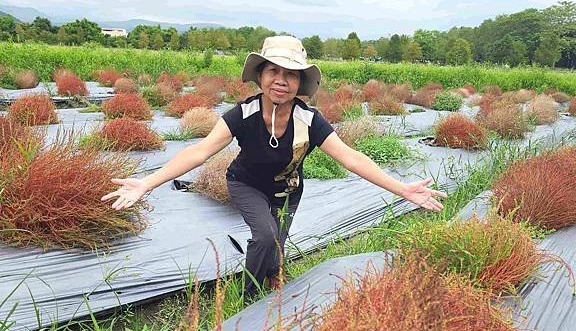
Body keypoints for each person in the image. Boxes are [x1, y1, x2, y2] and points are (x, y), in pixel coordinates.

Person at [102, 36, 447, 299]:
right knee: (264, 236)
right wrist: (148, 182)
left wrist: (402, 189)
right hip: (245, 184)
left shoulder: (309, 119)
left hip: (288, 190)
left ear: (299, 82)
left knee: (277, 244)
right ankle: (251, 295)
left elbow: (351, 157)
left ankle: (273, 273)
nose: (281, 80)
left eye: (290, 74)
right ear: (261, 76)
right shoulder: (243, 114)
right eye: (273, 71)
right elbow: (200, 151)